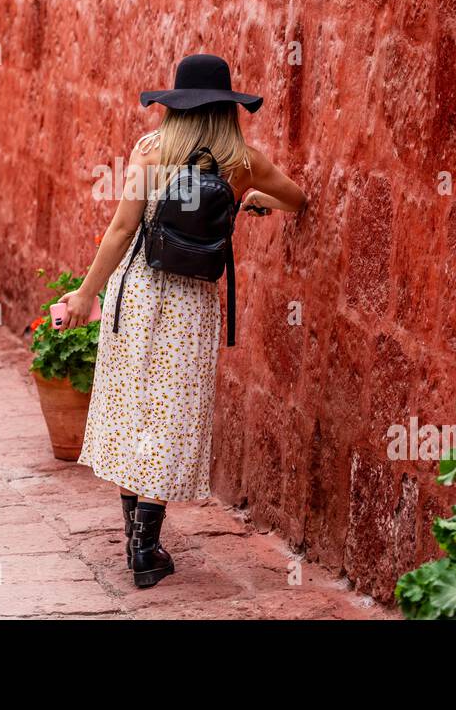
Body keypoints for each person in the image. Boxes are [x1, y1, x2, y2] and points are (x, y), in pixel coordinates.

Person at [61, 53, 307, 588]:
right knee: (170, 415)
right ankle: (146, 550)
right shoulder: (244, 162)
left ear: (174, 105)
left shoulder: (151, 152)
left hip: (141, 291)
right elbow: (298, 198)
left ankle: (134, 536)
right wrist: (257, 199)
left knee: (133, 408)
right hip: (192, 303)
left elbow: (121, 230)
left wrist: (84, 295)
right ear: (227, 108)